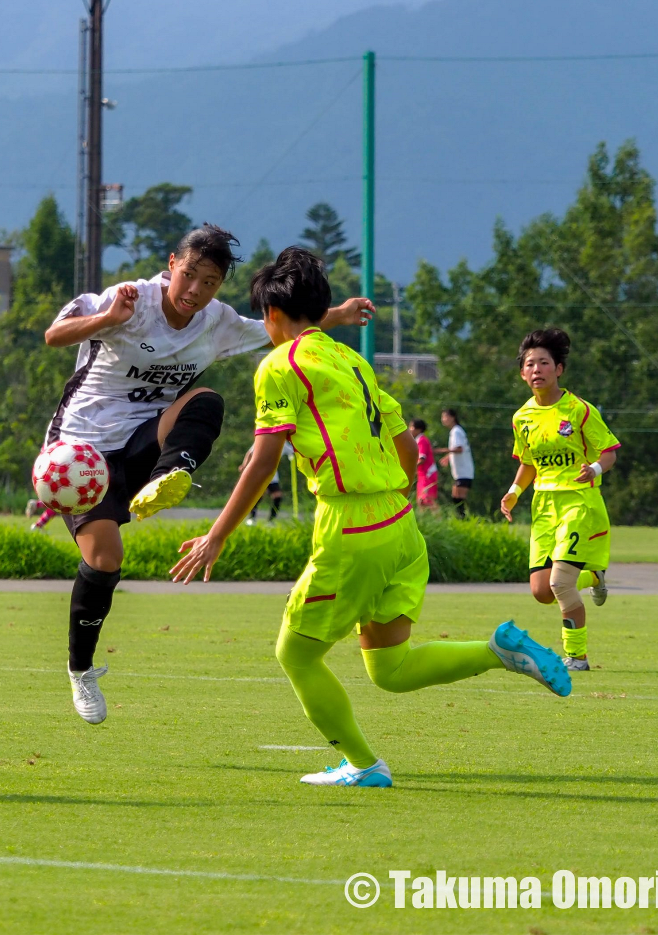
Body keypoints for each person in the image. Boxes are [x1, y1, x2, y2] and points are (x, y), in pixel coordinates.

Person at [170, 246, 570, 787]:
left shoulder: (280, 365)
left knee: (296, 655)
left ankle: (364, 766)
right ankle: (498, 650)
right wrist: (401, 491)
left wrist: (217, 536)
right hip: (400, 524)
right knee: (391, 669)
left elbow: (265, 459)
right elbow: (403, 435)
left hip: (351, 527)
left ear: (272, 315)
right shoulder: (349, 358)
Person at [42, 224, 375, 724]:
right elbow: (54, 335)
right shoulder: (130, 299)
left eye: (210, 282)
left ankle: (171, 474)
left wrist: (339, 317)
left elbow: (278, 325)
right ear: (172, 263)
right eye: (190, 275)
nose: (195, 291)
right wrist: (109, 319)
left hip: (143, 442)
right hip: (82, 451)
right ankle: (81, 670)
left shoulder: (216, 322)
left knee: (205, 400)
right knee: (107, 560)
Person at [501, 328, 619, 672]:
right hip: (544, 507)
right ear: (522, 373)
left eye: (543, 363)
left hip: (579, 503)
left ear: (559, 369)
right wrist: (514, 491)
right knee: (541, 591)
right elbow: (528, 463)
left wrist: (594, 468)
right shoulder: (521, 417)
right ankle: (594, 577)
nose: (536, 369)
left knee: (560, 584)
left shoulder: (579, 410)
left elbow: (609, 452)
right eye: (529, 364)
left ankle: (576, 656)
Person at [436, 408, 473, 517]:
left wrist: (442, 450)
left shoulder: (456, 431)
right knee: (456, 496)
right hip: (460, 471)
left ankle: (464, 518)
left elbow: (459, 449)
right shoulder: (455, 431)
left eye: (445, 417)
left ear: (453, 418)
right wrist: (448, 456)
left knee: (458, 497)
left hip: (464, 470)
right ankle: (462, 518)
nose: (443, 419)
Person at [244, 441, 290, 524]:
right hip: (260, 474)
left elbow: (294, 452)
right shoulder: (266, 438)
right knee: (258, 496)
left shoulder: (284, 444)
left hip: (273, 476)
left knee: (277, 496)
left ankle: (271, 520)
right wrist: (245, 466)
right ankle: (251, 518)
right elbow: (250, 453)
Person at [408, 418, 439, 508]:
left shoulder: (422, 440)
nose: (409, 429)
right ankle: (425, 521)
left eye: (411, 426)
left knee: (428, 499)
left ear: (419, 429)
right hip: (422, 475)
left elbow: (422, 459)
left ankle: (439, 518)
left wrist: (409, 468)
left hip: (427, 474)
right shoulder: (417, 440)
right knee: (421, 501)